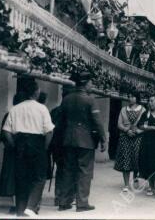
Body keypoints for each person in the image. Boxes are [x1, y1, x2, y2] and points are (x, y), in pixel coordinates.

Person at [1, 78, 54, 217]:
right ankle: (31, 207)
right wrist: (45, 147)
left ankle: (20, 210)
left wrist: (14, 145)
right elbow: (49, 131)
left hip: (20, 144)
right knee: (39, 177)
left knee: (21, 177)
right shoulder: (42, 108)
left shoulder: (15, 108)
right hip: (37, 144)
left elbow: (6, 131)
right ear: (36, 92)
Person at [56, 73, 107, 212]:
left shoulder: (66, 99)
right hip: (85, 141)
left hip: (68, 139)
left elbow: (60, 121)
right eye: (91, 82)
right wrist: (104, 139)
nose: (92, 85)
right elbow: (97, 122)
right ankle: (82, 203)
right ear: (85, 84)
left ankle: (64, 201)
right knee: (84, 171)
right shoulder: (90, 100)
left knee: (68, 170)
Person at [0, 93, 26, 213]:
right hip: (22, 149)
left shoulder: (9, 114)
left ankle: (16, 204)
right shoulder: (23, 114)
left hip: (12, 149)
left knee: (12, 177)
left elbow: (3, 135)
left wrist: (12, 145)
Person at [114, 91, 146, 192]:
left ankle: (135, 179)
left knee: (136, 159)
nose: (130, 98)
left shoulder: (143, 110)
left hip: (138, 138)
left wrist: (137, 131)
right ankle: (126, 184)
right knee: (126, 160)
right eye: (129, 96)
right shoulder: (123, 110)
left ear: (137, 98)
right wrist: (127, 130)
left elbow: (145, 124)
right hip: (125, 137)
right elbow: (119, 124)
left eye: (132, 96)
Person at [50, 86, 73, 207]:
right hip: (67, 145)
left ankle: (58, 197)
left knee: (60, 170)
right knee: (69, 170)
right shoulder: (71, 111)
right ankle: (65, 197)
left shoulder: (55, 111)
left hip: (57, 145)